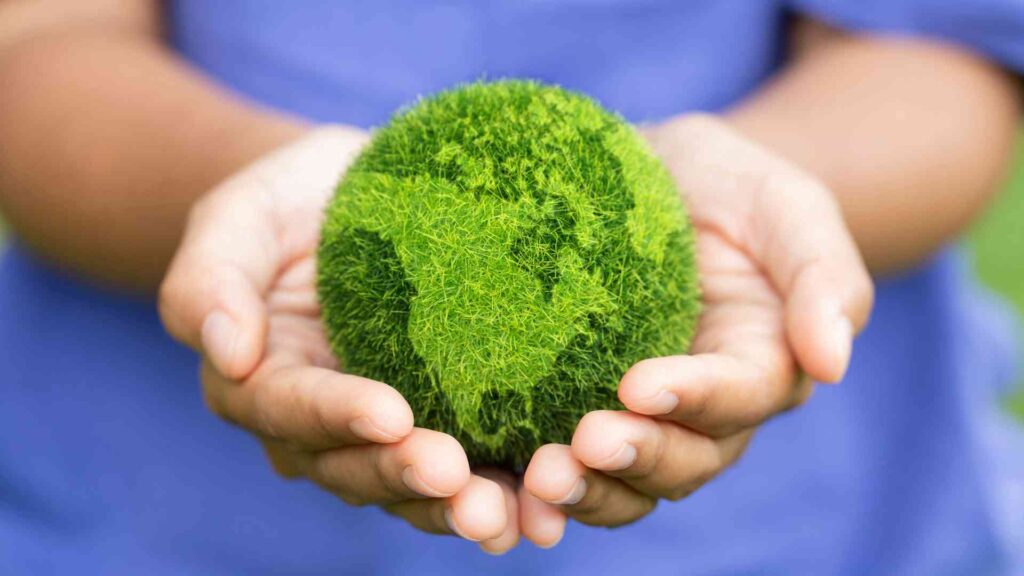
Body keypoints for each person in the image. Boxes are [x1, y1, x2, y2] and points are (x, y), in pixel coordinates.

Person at [0, 0, 1021, 573]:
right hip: (153, 524)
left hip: (812, 535)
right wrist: (230, 186)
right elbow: (34, 46)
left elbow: (938, 48)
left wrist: (765, 180)